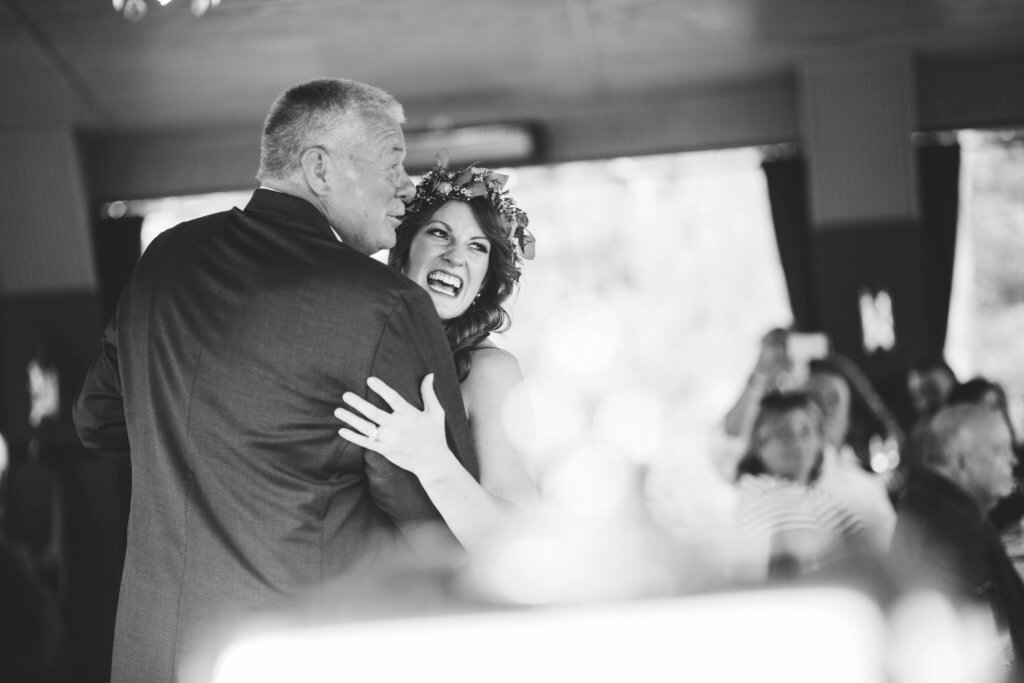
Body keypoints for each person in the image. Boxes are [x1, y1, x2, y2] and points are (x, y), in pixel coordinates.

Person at [73, 78, 478, 682]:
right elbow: (438, 525)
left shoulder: (167, 257)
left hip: (149, 653)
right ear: (319, 168)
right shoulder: (383, 306)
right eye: (394, 164)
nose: (407, 186)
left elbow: (97, 418)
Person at [334, 158, 538, 554]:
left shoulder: (492, 371)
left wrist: (431, 460)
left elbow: (515, 543)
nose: (456, 256)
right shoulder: (360, 343)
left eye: (476, 246)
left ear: (484, 278)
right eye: (440, 234)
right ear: (403, 250)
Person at [889, 403, 1024, 676]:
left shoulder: (943, 508)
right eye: (999, 450)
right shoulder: (944, 529)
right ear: (960, 461)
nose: (1013, 460)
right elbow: (995, 654)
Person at [732, 392, 866, 581]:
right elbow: (788, 566)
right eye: (784, 433)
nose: (797, 441)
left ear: (820, 442)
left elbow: (865, 550)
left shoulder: (828, 500)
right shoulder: (757, 489)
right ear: (759, 446)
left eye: (806, 431)